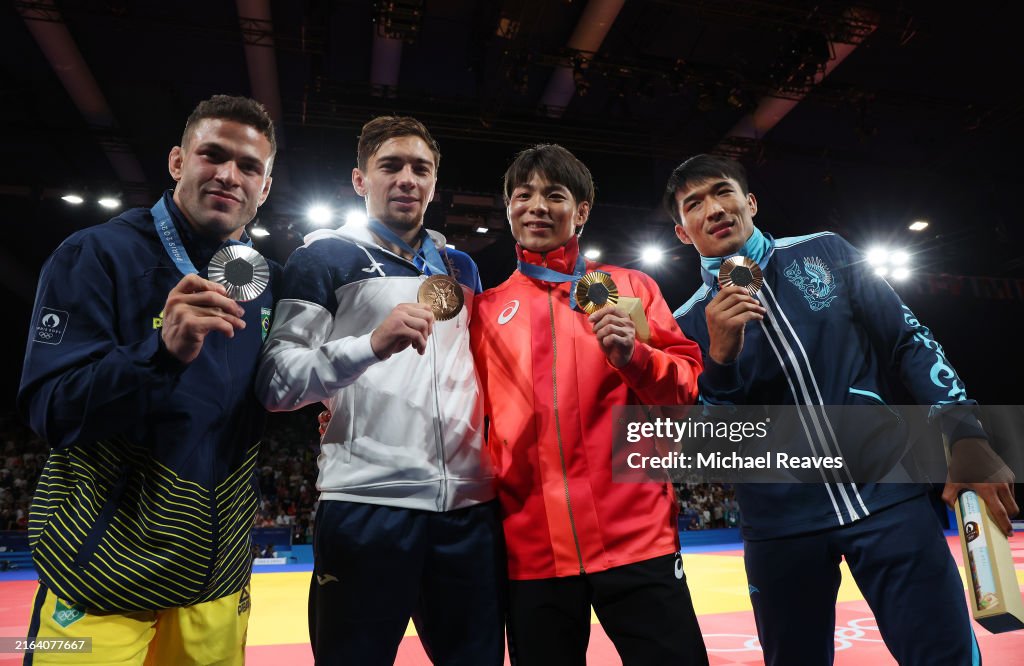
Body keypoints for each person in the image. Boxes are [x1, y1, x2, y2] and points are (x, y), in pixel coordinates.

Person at [667, 153, 1018, 665]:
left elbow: (909, 342)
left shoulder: (825, 253)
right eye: (693, 204)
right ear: (682, 232)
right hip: (779, 529)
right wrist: (719, 360)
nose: (714, 209)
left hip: (889, 500)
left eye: (723, 192)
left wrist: (966, 434)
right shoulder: (685, 324)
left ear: (750, 202)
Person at [18, 94, 278, 665]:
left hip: (215, 586)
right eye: (213, 155)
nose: (230, 175)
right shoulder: (95, 254)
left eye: (250, 167)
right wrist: (158, 353)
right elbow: (50, 410)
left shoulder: (267, 282)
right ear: (178, 162)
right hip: (98, 585)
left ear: (264, 188)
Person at [256, 116, 504, 665]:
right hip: (368, 504)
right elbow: (276, 381)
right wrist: (369, 345)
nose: (407, 179)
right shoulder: (320, 259)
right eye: (390, 166)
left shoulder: (461, 267)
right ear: (359, 179)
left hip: (469, 507)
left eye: (421, 169)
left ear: (435, 184)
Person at [471, 144, 709, 665]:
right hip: (532, 554)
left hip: (638, 540)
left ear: (580, 212)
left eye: (554, 195)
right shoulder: (484, 312)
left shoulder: (631, 287)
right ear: (508, 209)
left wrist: (635, 357)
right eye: (522, 195)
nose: (536, 206)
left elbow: (685, 390)